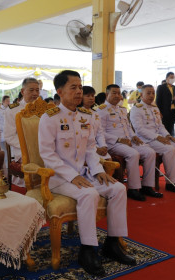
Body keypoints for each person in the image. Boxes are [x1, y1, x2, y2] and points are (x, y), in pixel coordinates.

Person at [39, 70, 136, 276]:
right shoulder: (50, 118)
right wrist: (72, 176)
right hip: (59, 177)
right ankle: (88, 250)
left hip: (85, 173)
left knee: (118, 188)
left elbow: (90, 148)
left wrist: (98, 170)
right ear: (60, 91)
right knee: (89, 193)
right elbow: (47, 154)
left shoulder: (86, 116)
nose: (78, 91)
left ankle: (112, 244)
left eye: (80, 87)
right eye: (73, 87)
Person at [98, 84, 160, 201]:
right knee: (133, 154)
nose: (117, 96)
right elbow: (100, 132)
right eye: (114, 93)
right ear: (107, 95)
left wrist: (134, 136)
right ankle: (133, 189)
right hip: (113, 144)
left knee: (150, 152)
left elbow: (127, 127)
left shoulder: (122, 109)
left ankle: (147, 186)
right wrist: (119, 139)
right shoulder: (101, 110)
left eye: (119, 93)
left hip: (128, 141)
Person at [130, 85, 175, 193]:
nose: (151, 95)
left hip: (159, 138)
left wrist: (167, 135)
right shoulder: (136, 108)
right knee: (169, 149)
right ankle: (172, 182)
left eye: (153, 93)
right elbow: (139, 129)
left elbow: (160, 126)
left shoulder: (155, 108)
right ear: (141, 95)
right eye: (148, 93)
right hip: (146, 140)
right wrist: (157, 137)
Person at [4, 77, 40, 186]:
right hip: (23, 151)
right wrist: (29, 146)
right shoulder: (13, 110)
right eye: (31, 90)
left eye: (37, 90)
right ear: (22, 91)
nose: (35, 93)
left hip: (43, 148)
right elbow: (9, 136)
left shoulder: (44, 109)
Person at [79, 86, 109, 160]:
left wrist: (103, 146)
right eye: (87, 96)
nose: (91, 98)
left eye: (92, 96)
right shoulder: (77, 113)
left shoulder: (95, 113)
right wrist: (96, 149)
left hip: (96, 145)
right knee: (102, 162)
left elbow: (100, 133)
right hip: (83, 148)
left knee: (108, 159)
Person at [156, 72, 175, 136]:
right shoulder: (161, 87)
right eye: (171, 77)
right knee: (165, 128)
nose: (173, 79)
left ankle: (172, 140)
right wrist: (159, 112)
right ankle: (166, 141)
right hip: (164, 111)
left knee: (172, 128)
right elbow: (158, 101)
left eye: (174, 77)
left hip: (173, 111)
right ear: (167, 78)